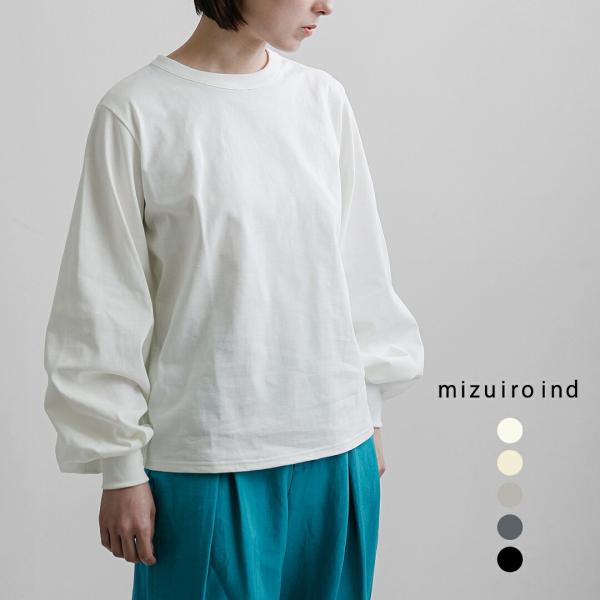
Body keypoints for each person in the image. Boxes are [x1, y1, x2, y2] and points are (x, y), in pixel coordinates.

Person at [42, 1, 425, 598]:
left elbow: (359, 268)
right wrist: (119, 467)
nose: (326, 5)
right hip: (206, 456)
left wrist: (369, 409)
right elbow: (102, 298)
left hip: (338, 448)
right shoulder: (136, 111)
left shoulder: (322, 100)